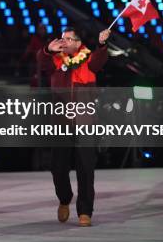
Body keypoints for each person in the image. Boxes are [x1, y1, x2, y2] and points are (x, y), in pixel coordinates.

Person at [36, 27, 110, 227]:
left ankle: (85, 211)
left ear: (78, 43)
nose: (64, 41)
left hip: (85, 123)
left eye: (68, 39)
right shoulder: (56, 59)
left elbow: (100, 60)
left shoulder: (89, 59)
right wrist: (47, 50)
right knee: (57, 167)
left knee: (86, 168)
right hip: (61, 123)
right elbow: (41, 62)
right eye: (62, 38)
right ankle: (64, 198)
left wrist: (102, 44)